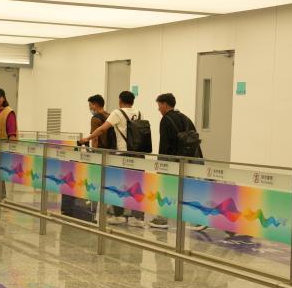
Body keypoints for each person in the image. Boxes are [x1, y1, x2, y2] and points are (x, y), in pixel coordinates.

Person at [80, 91, 146, 227]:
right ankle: (138, 218)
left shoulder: (117, 113)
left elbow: (102, 129)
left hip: (123, 155)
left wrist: (87, 138)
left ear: (120, 101)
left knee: (118, 184)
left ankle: (118, 215)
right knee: (137, 185)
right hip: (139, 155)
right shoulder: (139, 113)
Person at [155, 93, 204, 230]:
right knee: (190, 188)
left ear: (165, 104)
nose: (158, 109)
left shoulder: (166, 120)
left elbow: (165, 144)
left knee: (166, 187)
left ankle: (162, 219)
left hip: (173, 161)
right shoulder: (185, 118)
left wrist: (161, 164)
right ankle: (199, 220)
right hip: (191, 159)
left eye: (159, 105)